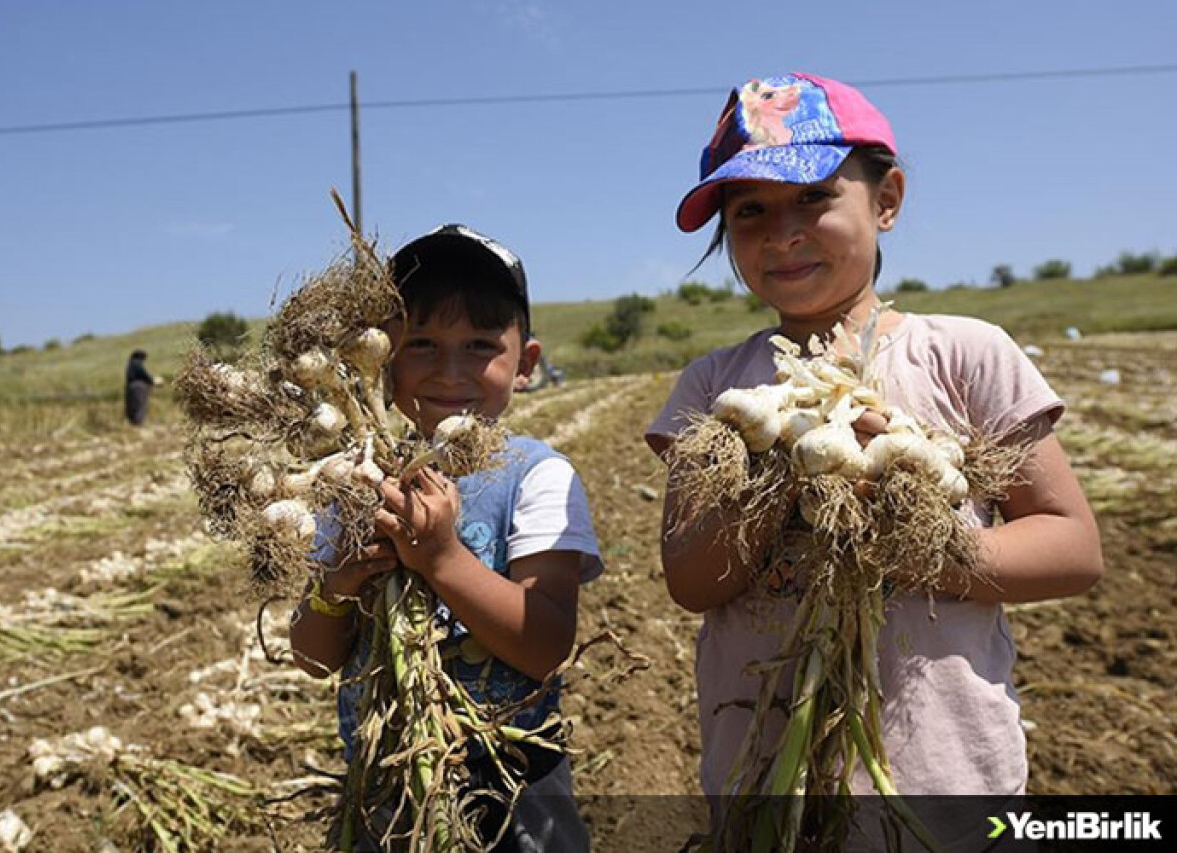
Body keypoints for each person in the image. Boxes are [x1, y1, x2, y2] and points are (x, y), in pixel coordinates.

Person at [645, 73, 1102, 819]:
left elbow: (1074, 547)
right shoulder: (714, 388)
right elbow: (692, 579)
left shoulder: (965, 354)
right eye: (750, 210)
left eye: (813, 198)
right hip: (762, 782)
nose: (782, 232)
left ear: (885, 199)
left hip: (943, 784)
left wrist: (918, 535)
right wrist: (786, 468)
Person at [290, 224, 602, 851]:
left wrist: (443, 559)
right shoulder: (357, 485)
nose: (450, 370)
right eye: (423, 344)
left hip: (517, 795)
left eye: (480, 345)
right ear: (378, 361)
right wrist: (341, 582)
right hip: (384, 792)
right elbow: (313, 657)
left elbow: (545, 645)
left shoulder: (537, 476)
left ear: (526, 366)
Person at [123, 349, 157, 425]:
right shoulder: (137, 364)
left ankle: (133, 423)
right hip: (138, 387)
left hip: (131, 387)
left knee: (132, 406)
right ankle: (138, 423)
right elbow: (144, 375)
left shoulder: (130, 364)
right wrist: (153, 381)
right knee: (140, 405)